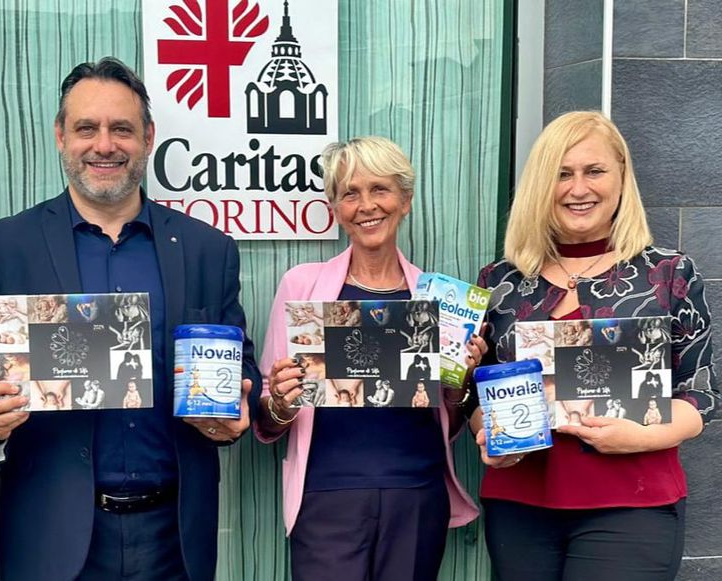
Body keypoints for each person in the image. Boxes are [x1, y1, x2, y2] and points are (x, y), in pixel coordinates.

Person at [0, 57, 260, 581]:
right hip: (51, 535)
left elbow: (239, 365)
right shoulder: (5, 247)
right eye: (86, 128)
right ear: (60, 136)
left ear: (148, 137)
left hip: (174, 539)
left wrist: (235, 412)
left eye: (122, 129)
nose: (104, 145)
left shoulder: (209, 250)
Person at [472, 111, 720, 580]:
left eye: (594, 171)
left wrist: (638, 437)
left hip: (633, 504)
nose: (578, 188)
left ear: (621, 176)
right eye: (562, 174)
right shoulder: (501, 282)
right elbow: (477, 397)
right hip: (519, 508)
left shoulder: (668, 274)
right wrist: (492, 436)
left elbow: (699, 398)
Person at [255, 137, 482, 580]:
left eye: (380, 189)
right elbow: (267, 409)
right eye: (350, 193)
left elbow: (449, 418)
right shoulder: (303, 287)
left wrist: (460, 381)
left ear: (405, 200)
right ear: (335, 207)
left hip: (416, 496)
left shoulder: (438, 299)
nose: (366, 205)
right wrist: (280, 402)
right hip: (325, 499)